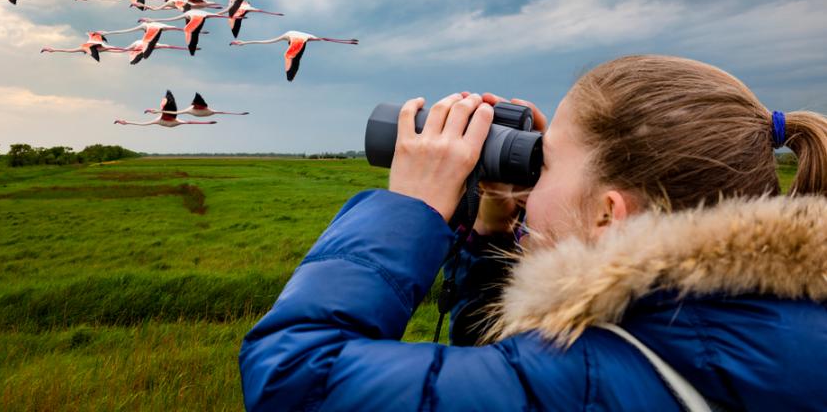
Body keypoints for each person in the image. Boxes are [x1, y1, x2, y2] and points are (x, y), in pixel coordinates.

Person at [240, 55, 827, 411]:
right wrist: (493, 235)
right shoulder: (773, 327)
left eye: (542, 164)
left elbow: (294, 379)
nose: (528, 183)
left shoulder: (581, 379)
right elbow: (503, 367)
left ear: (608, 215)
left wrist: (410, 207)